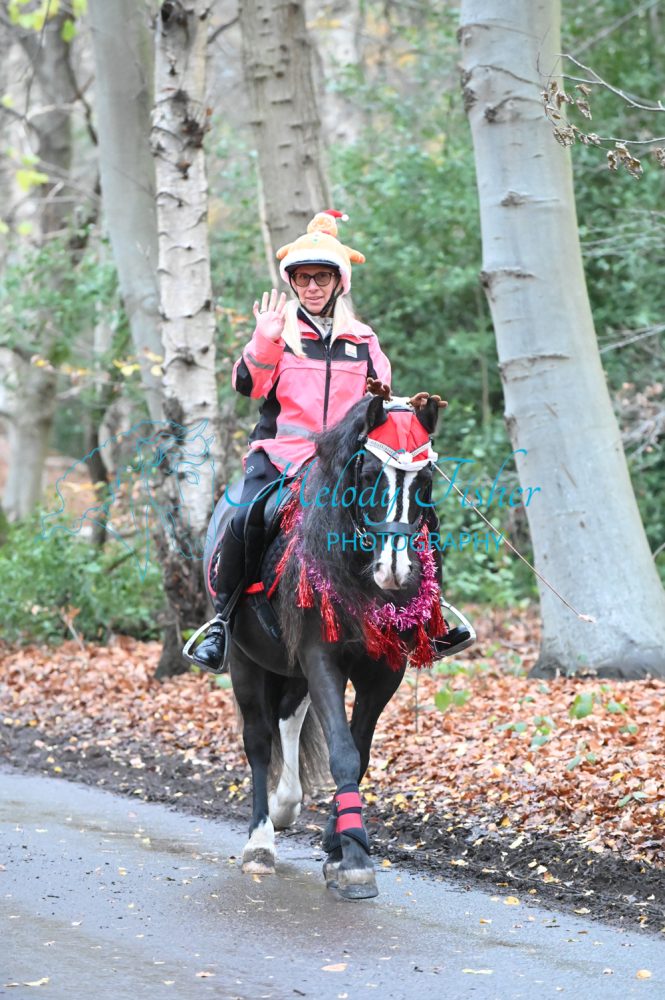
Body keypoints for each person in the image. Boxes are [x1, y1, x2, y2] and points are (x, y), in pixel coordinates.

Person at [190, 210, 472, 671]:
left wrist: (409, 427)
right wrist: (263, 342)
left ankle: (432, 619)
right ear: (293, 282)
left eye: (321, 277)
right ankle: (222, 623)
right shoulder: (279, 336)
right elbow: (248, 387)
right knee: (244, 516)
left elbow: (380, 405)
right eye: (303, 278)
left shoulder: (364, 341)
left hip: (345, 464)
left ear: (339, 281)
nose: (312, 286)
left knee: (418, 517)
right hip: (279, 459)